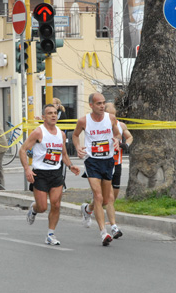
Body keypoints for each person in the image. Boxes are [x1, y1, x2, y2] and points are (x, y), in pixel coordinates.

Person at [20, 104, 80, 245]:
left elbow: (63, 154)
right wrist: (27, 169)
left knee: (56, 205)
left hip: (56, 173)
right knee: (42, 207)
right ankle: (33, 209)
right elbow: (22, 150)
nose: (53, 115)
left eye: (55, 113)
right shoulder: (38, 132)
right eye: (50, 113)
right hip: (40, 173)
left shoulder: (61, 133)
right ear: (43, 117)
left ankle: (50, 234)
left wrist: (71, 166)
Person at [72, 93, 122, 246]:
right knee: (98, 196)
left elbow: (118, 133)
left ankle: (87, 209)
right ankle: (103, 233)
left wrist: (117, 140)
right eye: (98, 103)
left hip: (107, 160)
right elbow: (75, 135)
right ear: (91, 105)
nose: (102, 106)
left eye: (103, 103)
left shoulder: (110, 118)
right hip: (92, 161)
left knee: (106, 199)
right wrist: (78, 148)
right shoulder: (83, 121)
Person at [104, 103, 133, 200]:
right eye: (109, 114)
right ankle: (96, 206)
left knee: (115, 189)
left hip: (117, 162)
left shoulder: (121, 125)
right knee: (103, 191)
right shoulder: (99, 125)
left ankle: (109, 205)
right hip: (103, 161)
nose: (112, 117)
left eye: (113, 114)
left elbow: (129, 137)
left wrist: (126, 145)